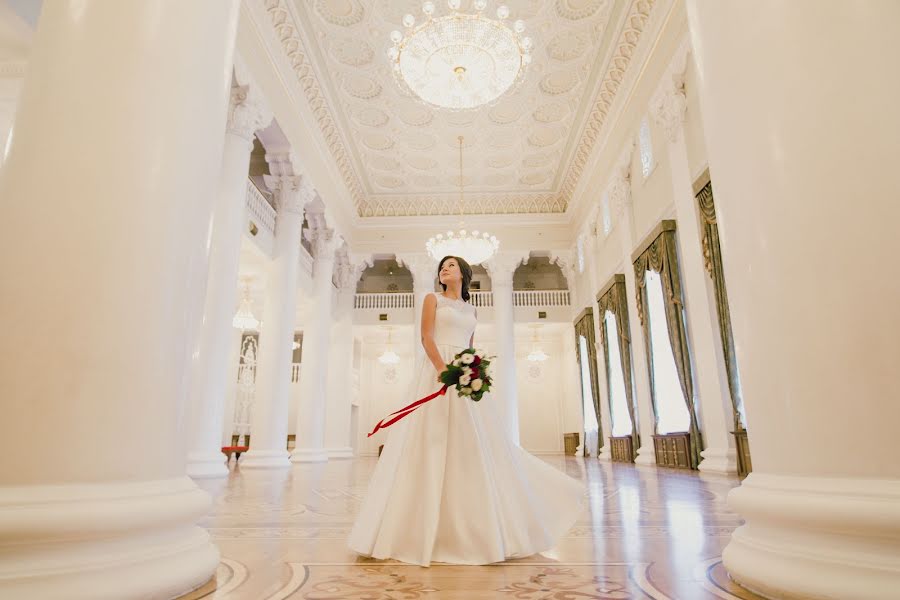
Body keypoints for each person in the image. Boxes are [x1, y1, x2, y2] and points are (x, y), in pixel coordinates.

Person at [348, 255, 587, 566]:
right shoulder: (431, 299)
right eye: (441, 267)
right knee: (432, 438)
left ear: (462, 273)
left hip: (465, 376)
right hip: (438, 373)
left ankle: (479, 522)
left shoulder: (472, 309)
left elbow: (470, 347)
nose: (444, 270)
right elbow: (426, 337)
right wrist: (443, 371)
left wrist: (473, 372)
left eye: (449, 265)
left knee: (474, 443)